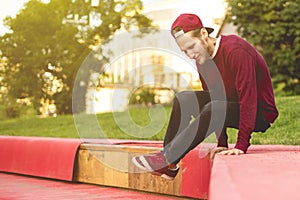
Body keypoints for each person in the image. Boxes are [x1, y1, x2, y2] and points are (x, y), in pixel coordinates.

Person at [132, 13, 278, 180]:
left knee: (214, 107)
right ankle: (169, 163)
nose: (190, 54)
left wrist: (241, 145)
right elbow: (216, 98)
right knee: (184, 99)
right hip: (230, 106)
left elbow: (248, 99)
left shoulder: (235, 50)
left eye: (191, 46)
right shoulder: (203, 61)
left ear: (203, 34)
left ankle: (166, 159)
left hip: (259, 114)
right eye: (184, 51)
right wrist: (222, 143)